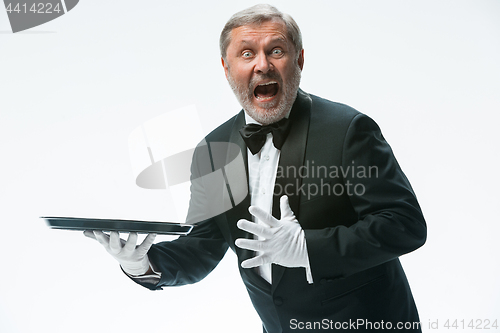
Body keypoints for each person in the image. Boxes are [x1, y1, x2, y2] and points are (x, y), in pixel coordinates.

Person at [85, 4, 426, 332]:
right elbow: (202, 245)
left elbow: (405, 225)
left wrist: (308, 247)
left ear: (300, 59)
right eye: (246, 53)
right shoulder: (213, 151)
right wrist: (141, 264)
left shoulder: (348, 130)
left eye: (276, 50)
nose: (262, 65)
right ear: (226, 67)